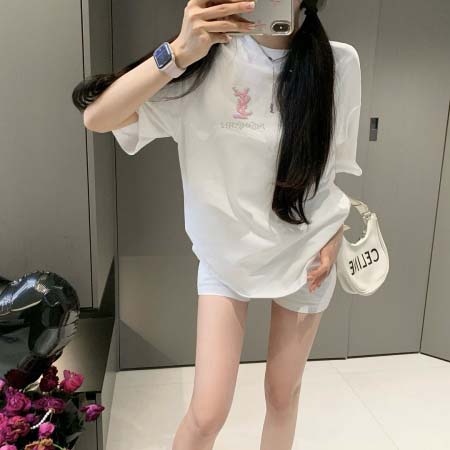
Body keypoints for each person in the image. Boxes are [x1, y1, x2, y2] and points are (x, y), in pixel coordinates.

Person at [73, 0, 362, 448]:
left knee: (282, 394)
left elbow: (331, 169)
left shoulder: (338, 63)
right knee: (207, 413)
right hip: (225, 257)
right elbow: (98, 117)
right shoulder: (204, 63)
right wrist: (178, 52)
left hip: (308, 254)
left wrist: (334, 232)